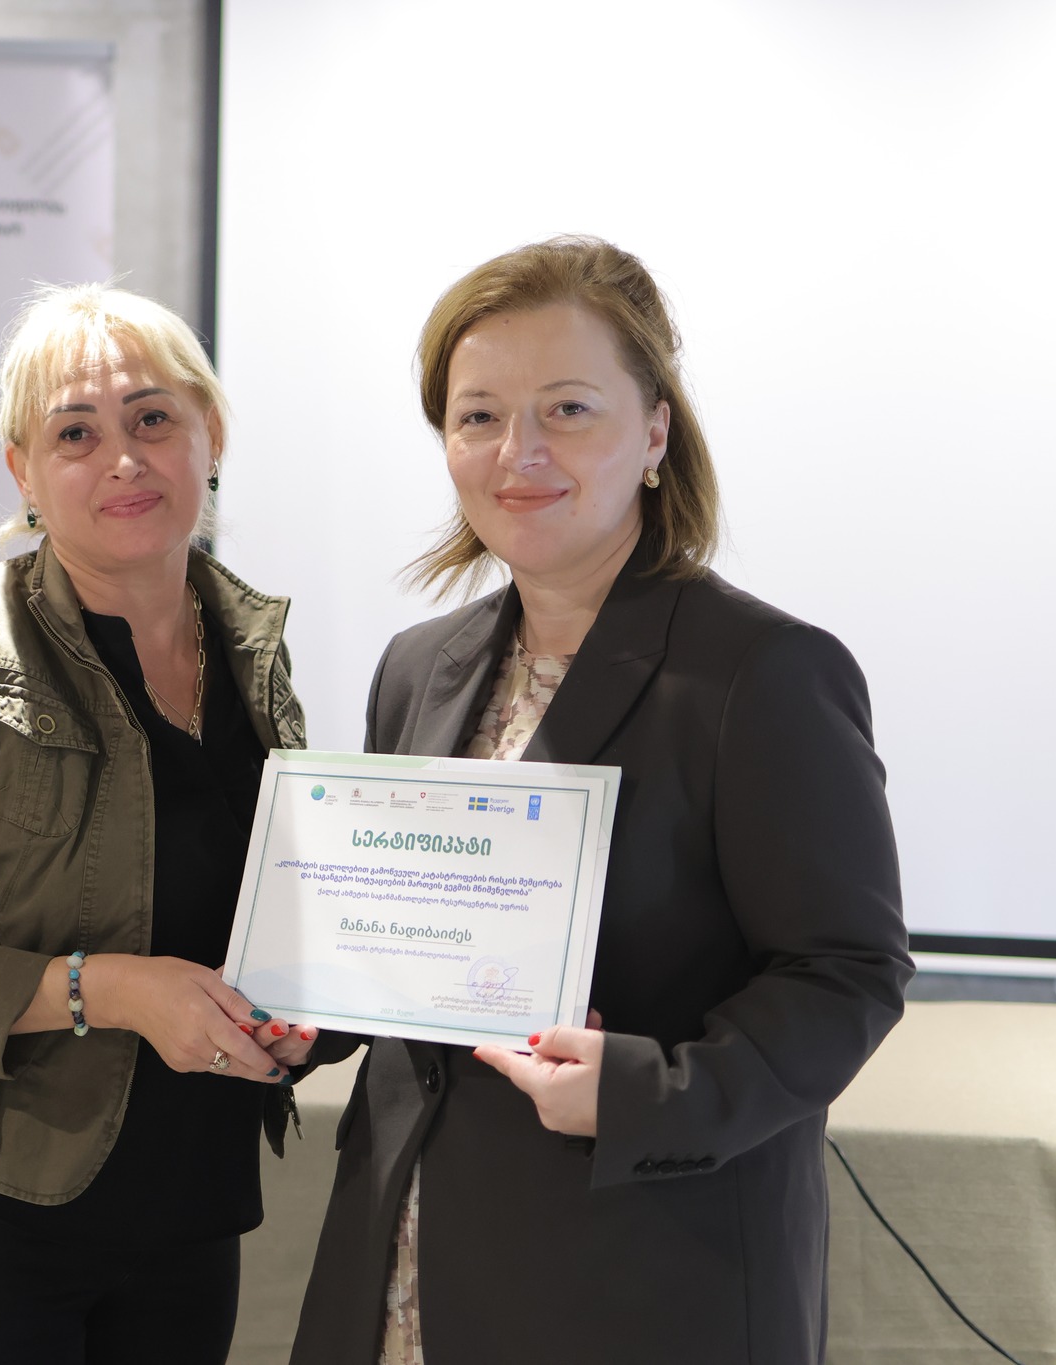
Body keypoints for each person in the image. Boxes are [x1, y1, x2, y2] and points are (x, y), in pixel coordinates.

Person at [291, 238, 912, 1364]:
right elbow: (413, 947)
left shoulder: (762, 674)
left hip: (636, 1282)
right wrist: (301, 1009)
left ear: (655, 432)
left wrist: (643, 1094)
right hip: (405, 1265)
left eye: (567, 409)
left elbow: (846, 974)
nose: (517, 452)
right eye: (478, 416)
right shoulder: (418, 666)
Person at [0, 283, 319, 1365]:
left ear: (210, 436)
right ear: (23, 471)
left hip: (187, 1209)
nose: (123, 460)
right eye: (75, 434)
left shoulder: (252, 651)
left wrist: (299, 1009)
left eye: (153, 419)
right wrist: (110, 990)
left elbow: (264, 909)